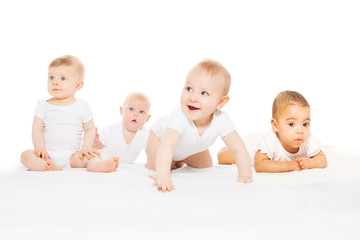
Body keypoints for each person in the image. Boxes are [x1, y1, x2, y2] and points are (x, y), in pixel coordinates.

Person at [147, 59, 253, 192]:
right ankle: (172, 161)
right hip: (160, 139)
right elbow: (168, 145)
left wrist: (245, 176)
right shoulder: (179, 116)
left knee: (205, 166)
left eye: (204, 93)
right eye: (189, 89)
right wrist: (163, 174)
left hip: (189, 146)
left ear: (221, 102)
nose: (193, 98)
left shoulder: (221, 119)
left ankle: (179, 159)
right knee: (156, 166)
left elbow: (238, 148)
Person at [20, 55, 118, 172]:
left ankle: (96, 167)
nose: (55, 82)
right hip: (47, 154)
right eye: (51, 77)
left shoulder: (83, 106)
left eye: (62, 79)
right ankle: (47, 166)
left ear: (78, 86)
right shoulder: (42, 105)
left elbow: (89, 129)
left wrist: (86, 147)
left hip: (73, 156)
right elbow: (37, 129)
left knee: (94, 156)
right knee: (25, 155)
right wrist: (40, 148)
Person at [218, 90, 327, 173]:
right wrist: (290, 165)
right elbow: (260, 165)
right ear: (275, 125)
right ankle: (225, 148)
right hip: (249, 148)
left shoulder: (308, 140)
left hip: (259, 142)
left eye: (305, 124)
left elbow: (322, 159)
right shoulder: (269, 140)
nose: (300, 130)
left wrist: (310, 163)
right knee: (223, 157)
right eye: (291, 124)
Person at [92, 92, 151, 165]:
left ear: (147, 118)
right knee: (94, 160)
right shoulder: (110, 130)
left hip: (124, 169)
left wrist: (151, 162)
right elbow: (99, 147)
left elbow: (152, 151)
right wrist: (95, 143)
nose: (135, 114)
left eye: (141, 112)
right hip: (103, 163)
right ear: (121, 111)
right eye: (131, 109)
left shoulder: (146, 135)